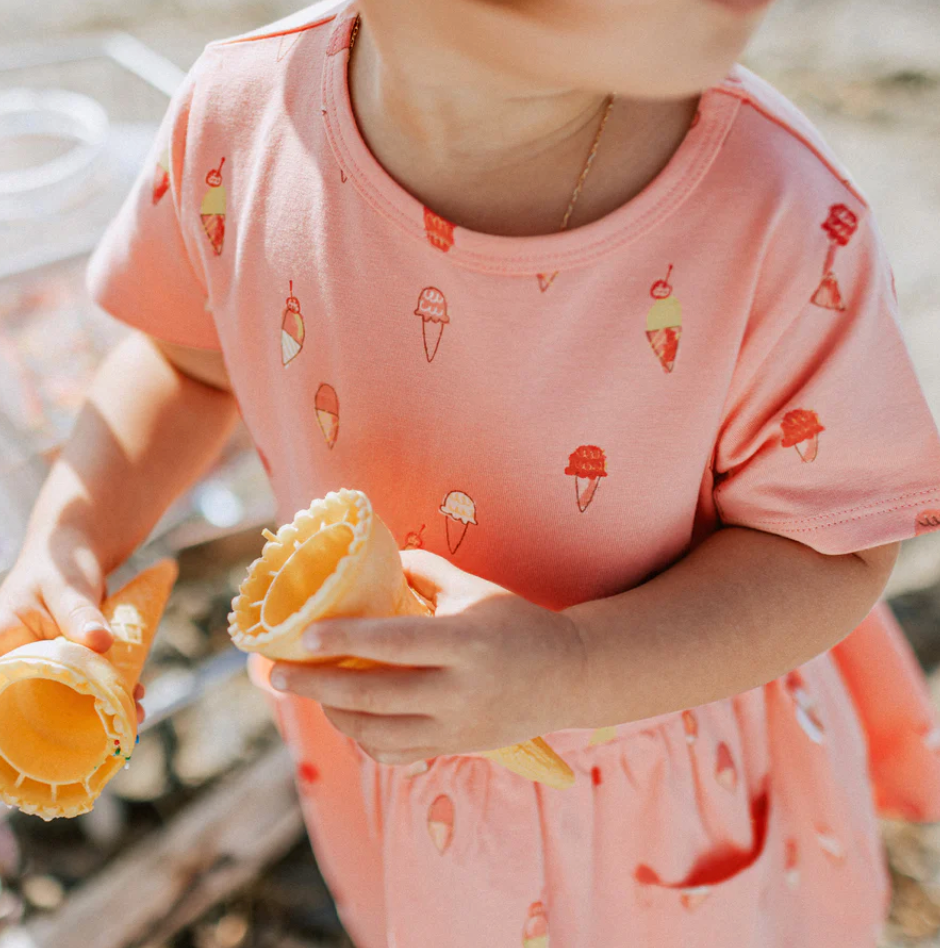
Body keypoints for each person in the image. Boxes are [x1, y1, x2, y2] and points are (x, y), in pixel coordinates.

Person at [3, 0, 940, 943]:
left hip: (676, 787)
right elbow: (183, 361)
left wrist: (571, 669)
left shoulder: (778, 211)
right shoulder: (236, 125)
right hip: (399, 781)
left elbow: (824, 549)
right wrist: (74, 532)